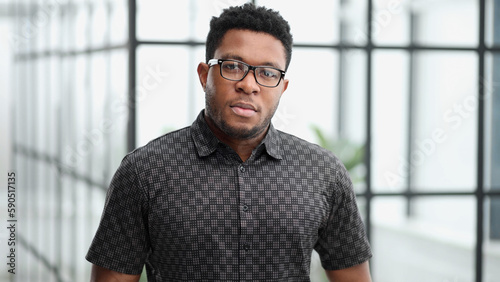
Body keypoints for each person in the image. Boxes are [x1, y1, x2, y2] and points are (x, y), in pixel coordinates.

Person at [86, 3, 372, 282]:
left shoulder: (323, 172)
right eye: (233, 66)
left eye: (268, 73)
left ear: (282, 88)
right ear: (204, 75)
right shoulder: (144, 171)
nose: (249, 84)